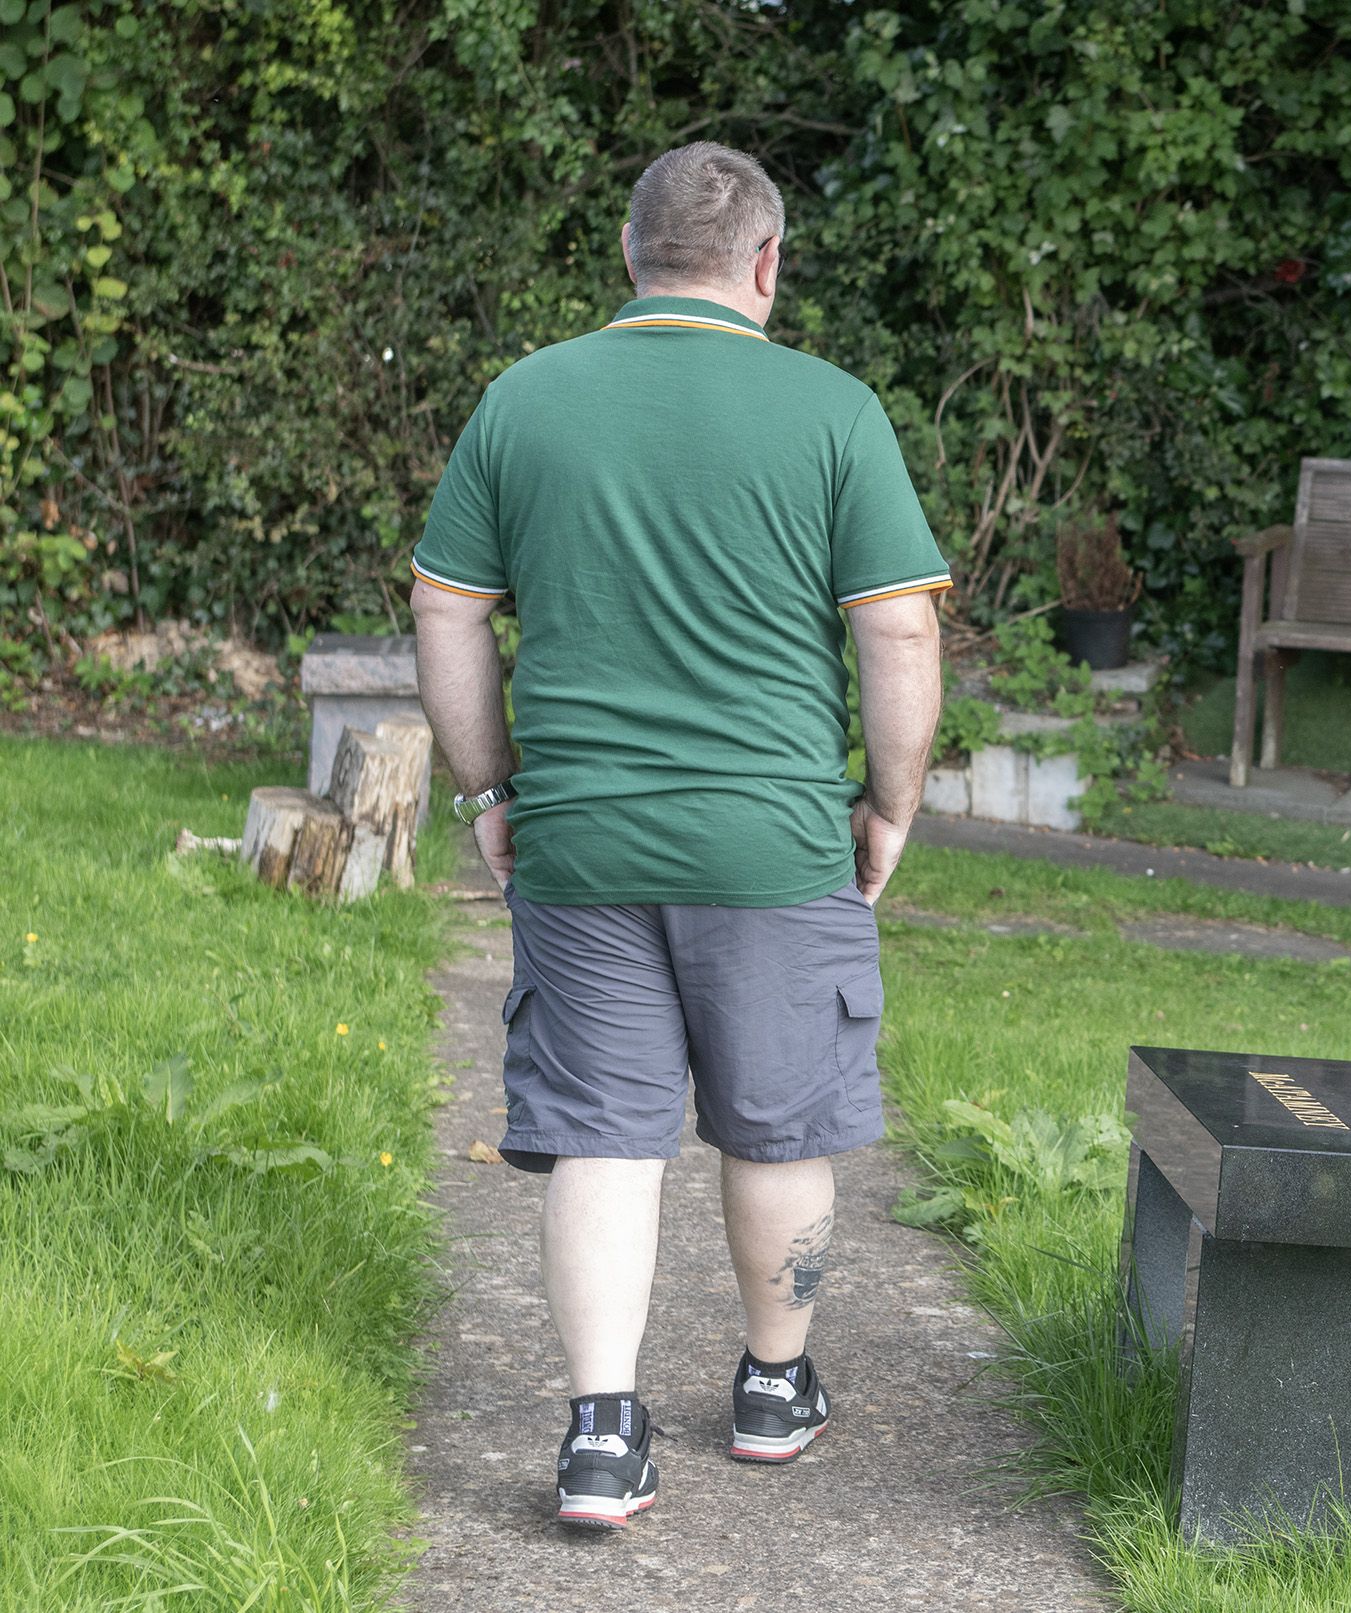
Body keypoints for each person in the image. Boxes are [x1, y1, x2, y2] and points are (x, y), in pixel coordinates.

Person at [409, 142, 946, 1530]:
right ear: (766, 265)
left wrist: (491, 791)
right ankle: (774, 1385)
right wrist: (888, 804)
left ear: (631, 255)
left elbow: (446, 608)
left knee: (602, 1135)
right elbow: (896, 625)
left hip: (582, 840)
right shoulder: (834, 410)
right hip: (774, 844)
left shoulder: (524, 400)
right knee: (777, 1126)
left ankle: (601, 1435)